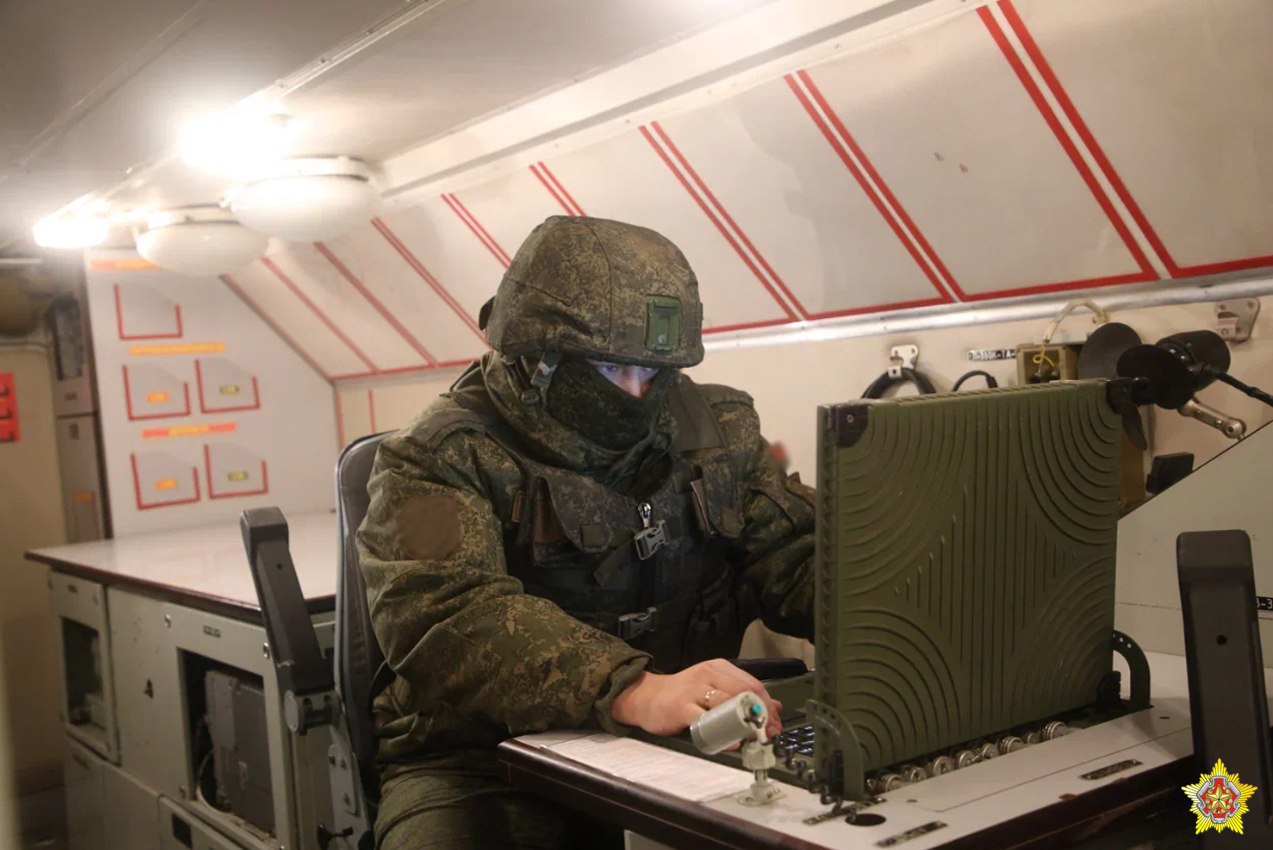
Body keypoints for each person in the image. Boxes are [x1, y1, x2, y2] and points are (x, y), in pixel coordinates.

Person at [357, 215, 816, 849]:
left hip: (689, 744)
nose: (636, 392)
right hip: (483, 763)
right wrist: (629, 687)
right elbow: (441, 610)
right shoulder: (432, 457)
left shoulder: (718, 432)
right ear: (534, 356)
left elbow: (797, 556)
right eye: (608, 367)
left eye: (652, 372)